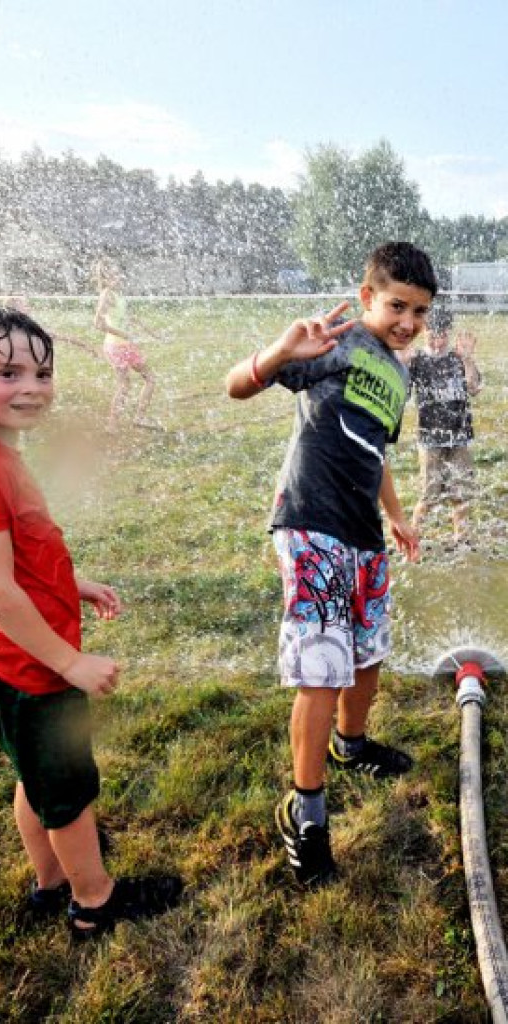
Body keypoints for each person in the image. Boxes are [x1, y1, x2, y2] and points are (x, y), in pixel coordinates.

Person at [0, 304, 182, 937]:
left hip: (7, 659)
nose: (31, 388)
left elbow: (18, 559)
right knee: (69, 793)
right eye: (7, 372)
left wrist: (72, 584)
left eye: (43, 373)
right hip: (31, 670)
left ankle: (50, 882)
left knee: (35, 778)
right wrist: (67, 660)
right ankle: (93, 902)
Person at [225, 242, 432, 888]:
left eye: (420, 311)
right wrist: (280, 354)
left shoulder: (399, 375)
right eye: (397, 305)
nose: (407, 321)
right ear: (368, 296)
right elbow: (236, 386)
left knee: (367, 656)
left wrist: (394, 515)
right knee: (322, 668)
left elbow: (377, 452)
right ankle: (306, 812)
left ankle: (352, 743)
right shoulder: (334, 343)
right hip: (311, 525)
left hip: (363, 534)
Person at [404, 300, 482, 546]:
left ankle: (462, 540)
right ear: (423, 332)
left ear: (448, 333)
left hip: (460, 437)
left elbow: (474, 388)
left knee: (461, 494)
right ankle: (411, 537)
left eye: (441, 337)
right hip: (430, 440)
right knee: (429, 496)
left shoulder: (458, 358)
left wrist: (468, 360)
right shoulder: (417, 360)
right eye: (431, 337)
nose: (437, 343)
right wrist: (403, 365)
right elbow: (403, 394)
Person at [93, 259, 160, 431]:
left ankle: (113, 425)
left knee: (126, 384)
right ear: (106, 278)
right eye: (114, 275)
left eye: (119, 273)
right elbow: (98, 324)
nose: (119, 277)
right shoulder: (107, 294)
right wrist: (126, 335)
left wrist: (153, 333)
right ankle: (138, 418)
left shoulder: (116, 294)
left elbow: (131, 317)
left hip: (119, 346)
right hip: (119, 346)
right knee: (149, 379)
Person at [5, 295, 99, 359]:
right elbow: (63, 337)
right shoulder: (32, 328)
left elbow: (62, 337)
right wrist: (87, 347)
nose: (29, 307)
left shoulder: (8, 328)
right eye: (24, 305)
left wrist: (85, 347)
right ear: (16, 310)